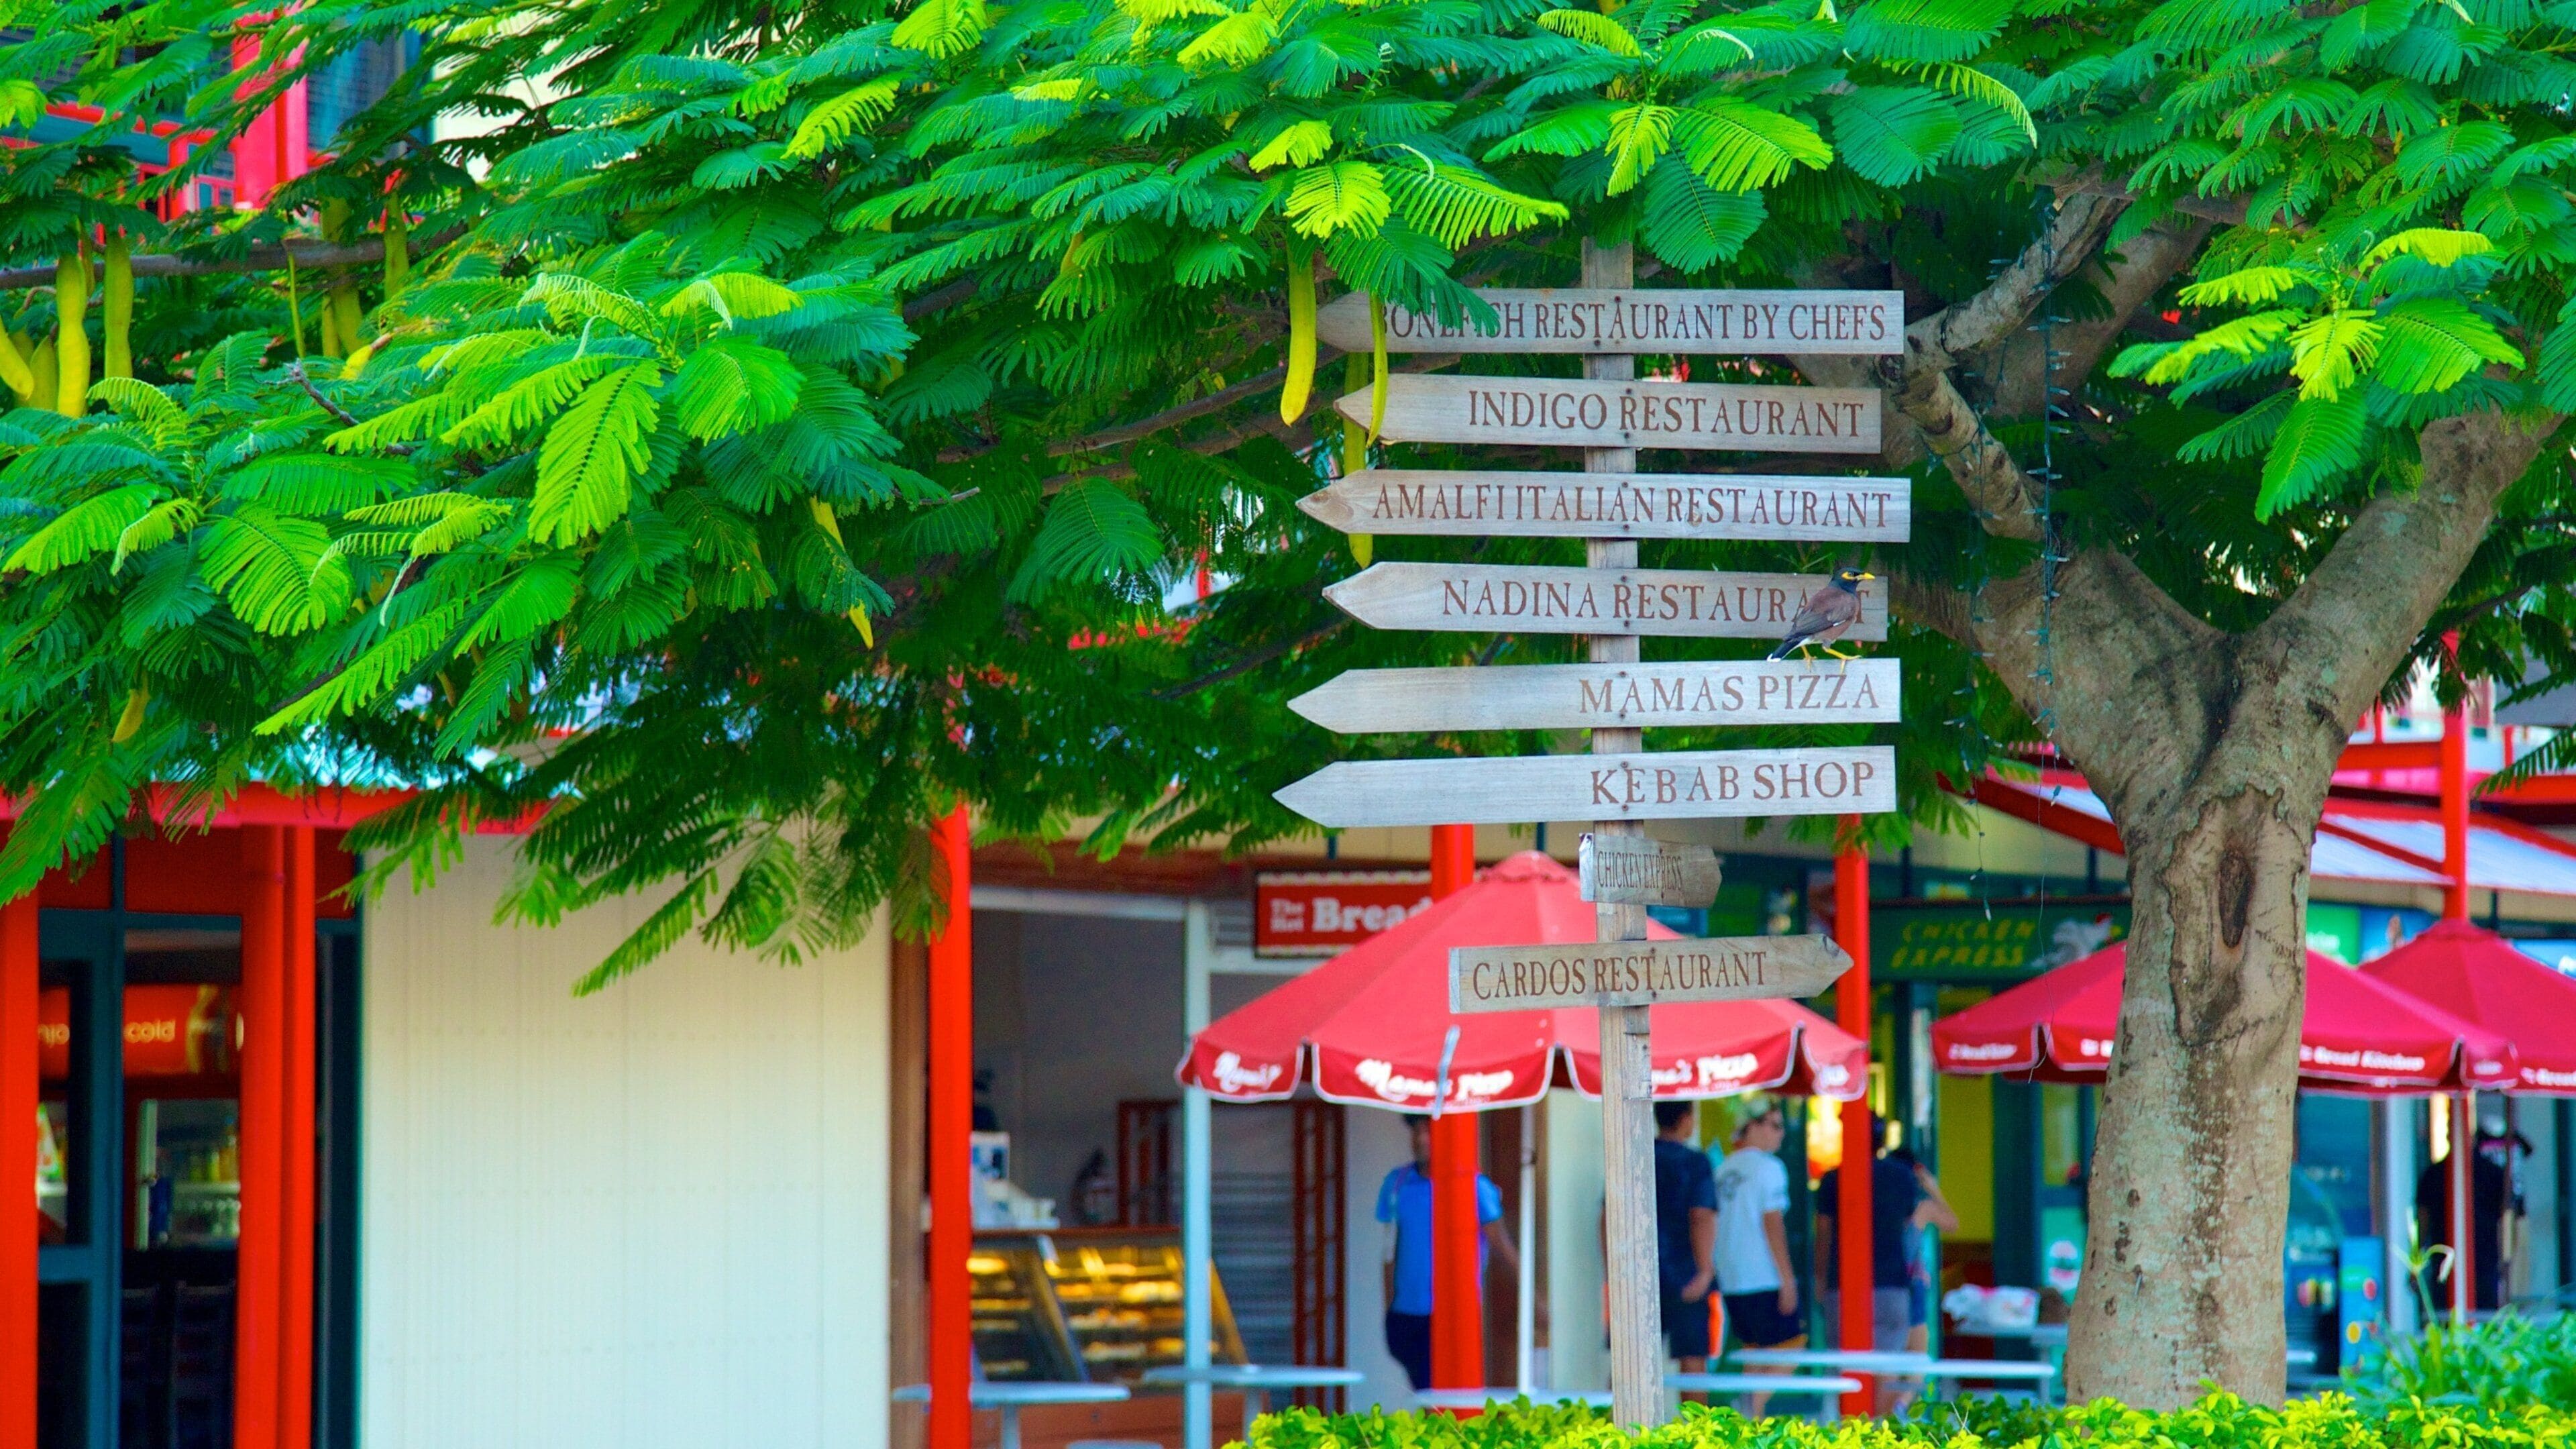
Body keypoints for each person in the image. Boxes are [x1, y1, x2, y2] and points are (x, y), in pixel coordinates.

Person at [1377, 1113, 1517, 1391]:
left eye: (1428, 1131)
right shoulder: (1397, 1184)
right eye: (1416, 1132)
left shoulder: (1473, 1186)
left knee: (1448, 1394)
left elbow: (1502, 1246)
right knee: (1424, 1392)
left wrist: (1534, 1300)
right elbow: (1389, 1253)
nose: (1421, 1139)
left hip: (1453, 1315)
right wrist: (1389, 1309)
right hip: (1407, 1314)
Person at [1816, 1113, 1925, 1414]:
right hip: (1893, 1284)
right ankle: (1881, 1432)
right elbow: (1910, 1228)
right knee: (1887, 1367)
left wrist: (1820, 1279)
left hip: (1842, 1284)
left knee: (1845, 1368)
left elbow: (1824, 1234)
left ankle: (1851, 1431)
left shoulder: (1833, 1179)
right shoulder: (1902, 1177)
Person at [1711, 1099, 1801, 1414]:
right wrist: (1787, 1279)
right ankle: (1750, 1407)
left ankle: (1752, 1422)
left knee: (1754, 1352)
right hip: (1763, 1276)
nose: (1781, 1134)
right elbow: (1772, 1224)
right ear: (1753, 1127)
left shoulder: (1723, 1170)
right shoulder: (1769, 1168)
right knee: (1792, 1346)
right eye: (1776, 1126)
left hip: (1731, 1278)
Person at [1652, 1100, 1720, 1385]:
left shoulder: (1636, 1156)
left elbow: (1608, 1215)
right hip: (1686, 1271)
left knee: (1629, 1360)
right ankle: (1695, 1418)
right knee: (1693, 1359)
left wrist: (1613, 1272)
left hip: (1640, 1272)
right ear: (1685, 1119)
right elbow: (1701, 1215)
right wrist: (1705, 1271)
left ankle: (1612, 1415)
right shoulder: (1695, 1162)